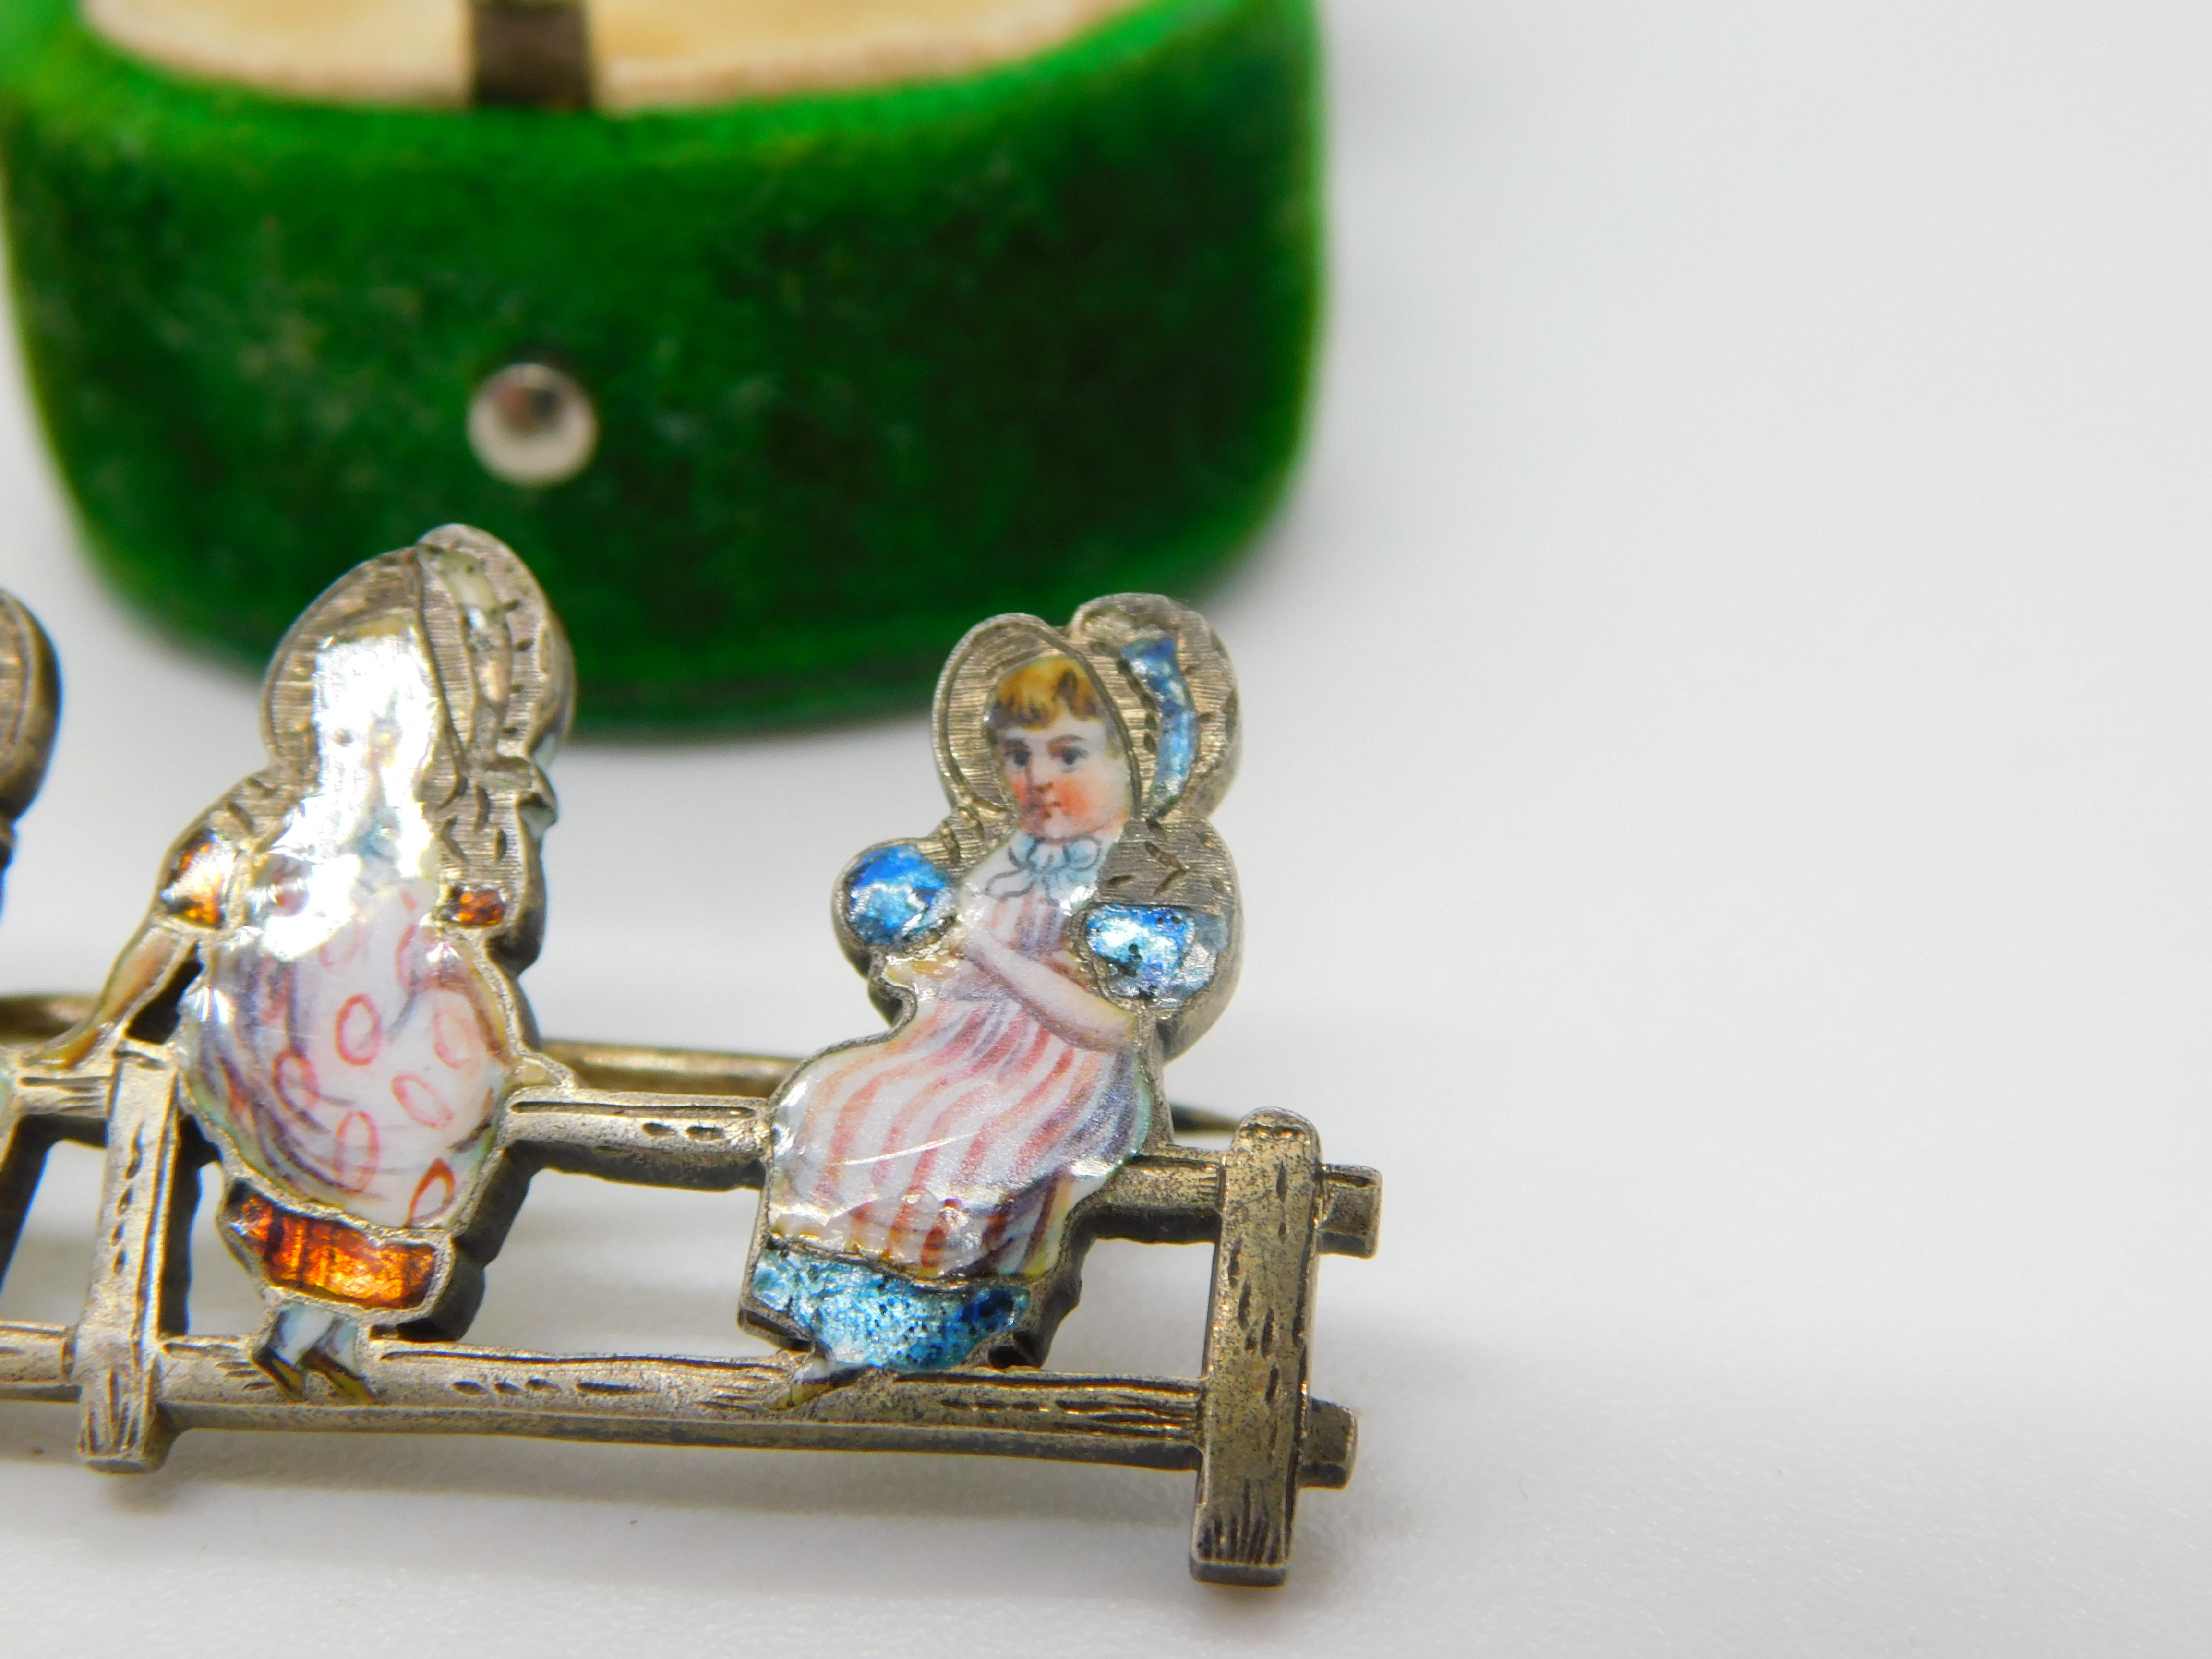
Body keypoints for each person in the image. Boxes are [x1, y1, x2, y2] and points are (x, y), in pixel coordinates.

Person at [755, 652, 1154, 1367]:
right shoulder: (1008, 861)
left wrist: (987, 955)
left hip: (1061, 1070)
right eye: (1018, 756)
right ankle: (829, 1316)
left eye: (1068, 754)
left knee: (969, 1143)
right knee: (828, 1095)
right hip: (958, 1045)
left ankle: (941, 1328)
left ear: (1132, 760)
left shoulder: (1139, 878)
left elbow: (1115, 1024)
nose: (1038, 778)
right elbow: (971, 975)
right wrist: (928, 971)